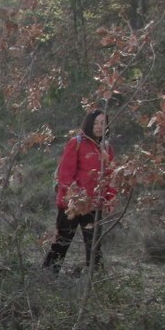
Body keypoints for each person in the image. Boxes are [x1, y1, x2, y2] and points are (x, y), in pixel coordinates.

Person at [42, 108, 117, 275]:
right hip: (71, 204)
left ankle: (93, 279)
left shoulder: (107, 148)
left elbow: (111, 176)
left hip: (94, 205)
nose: (99, 126)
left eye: (102, 123)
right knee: (62, 242)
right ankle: (47, 277)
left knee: (94, 245)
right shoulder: (76, 143)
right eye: (96, 122)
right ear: (89, 123)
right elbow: (65, 175)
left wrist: (110, 198)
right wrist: (77, 197)